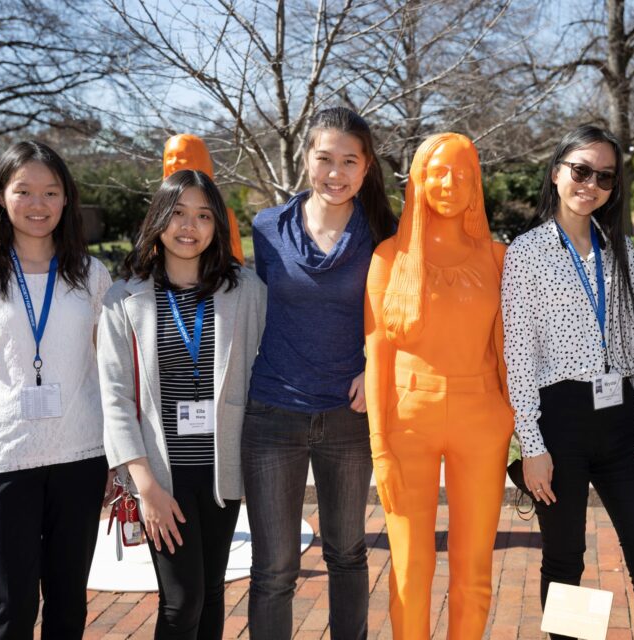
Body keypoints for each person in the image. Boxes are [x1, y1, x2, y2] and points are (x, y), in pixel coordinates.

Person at [501, 125, 634, 639]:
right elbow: (520, 356)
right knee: (565, 562)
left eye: (604, 176)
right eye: (580, 170)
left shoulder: (621, 247)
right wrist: (532, 445)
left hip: (624, 423)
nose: (591, 183)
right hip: (562, 425)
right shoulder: (526, 252)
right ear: (557, 173)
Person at [0, 140, 113, 639]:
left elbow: (108, 369)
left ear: (66, 200)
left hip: (80, 454)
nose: (38, 205)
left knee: (68, 603)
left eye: (51, 192)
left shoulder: (91, 275)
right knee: (9, 607)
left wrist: (120, 455)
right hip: (2, 459)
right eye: (24, 191)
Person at [241, 106, 396, 639]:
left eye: (349, 161)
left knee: (348, 553)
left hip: (348, 416)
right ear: (306, 158)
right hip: (272, 414)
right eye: (324, 158)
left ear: (367, 165)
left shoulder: (383, 233)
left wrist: (375, 364)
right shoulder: (266, 228)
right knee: (275, 568)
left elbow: (401, 315)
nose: (336, 172)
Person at [97, 169, 266, 639]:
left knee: (211, 591)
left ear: (217, 226)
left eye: (203, 215)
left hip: (221, 471)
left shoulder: (246, 291)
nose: (189, 226)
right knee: (181, 600)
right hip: (160, 474)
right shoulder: (122, 298)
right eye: (177, 214)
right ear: (158, 221)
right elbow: (114, 396)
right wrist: (144, 485)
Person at [365, 132, 513, 638]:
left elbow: (508, 356)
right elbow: (377, 355)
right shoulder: (388, 257)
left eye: (463, 174)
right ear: (419, 182)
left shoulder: (498, 257)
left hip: (483, 421)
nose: (450, 183)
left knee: (474, 569)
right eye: (438, 172)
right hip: (408, 424)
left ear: (477, 185)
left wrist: (519, 430)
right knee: (409, 567)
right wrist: (379, 449)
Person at [162, 133, 245, 263]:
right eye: (170, 157)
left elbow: (236, 265)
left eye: (181, 157)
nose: (173, 163)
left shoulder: (223, 214)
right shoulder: (159, 211)